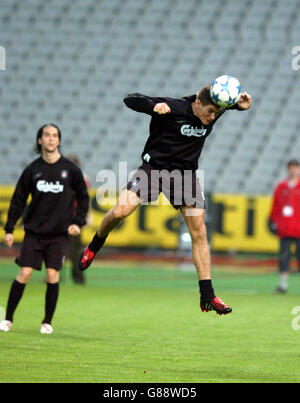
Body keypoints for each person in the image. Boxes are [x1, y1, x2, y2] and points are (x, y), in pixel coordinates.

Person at [79, 85, 252, 315]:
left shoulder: (214, 109)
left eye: (216, 112)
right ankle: (94, 245)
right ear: (197, 103)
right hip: (153, 170)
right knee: (120, 212)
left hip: (185, 176)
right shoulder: (175, 107)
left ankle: (208, 296)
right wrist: (153, 107)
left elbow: (230, 104)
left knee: (199, 232)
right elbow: (131, 99)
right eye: (210, 111)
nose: (213, 117)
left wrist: (240, 106)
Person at [0, 124, 89, 334]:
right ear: (39, 140)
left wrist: (78, 222)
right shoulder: (33, 170)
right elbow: (18, 200)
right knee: (25, 273)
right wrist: (9, 229)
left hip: (58, 234)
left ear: (59, 140)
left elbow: (84, 198)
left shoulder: (71, 170)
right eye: (47, 135)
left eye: (55, 135)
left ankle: (47, 322)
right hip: (34, 232)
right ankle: (8, 319)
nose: (51, 139)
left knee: (52, 275)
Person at [269, 159, 300, 293]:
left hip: (298, 228)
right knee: (284, 257)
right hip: (285, 229)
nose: (293, 170)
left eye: (295, 167)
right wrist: (276, 222)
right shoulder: (281, 187)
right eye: (291, 167)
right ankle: (283, 285)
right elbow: (275, 207)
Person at [66, 154, 91, 285]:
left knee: (75, 250)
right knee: (58, 248)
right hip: (62, 216)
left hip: (74, 217)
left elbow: (84, 199)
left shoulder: (81, 178)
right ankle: (52, 275)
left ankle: (78, 277)